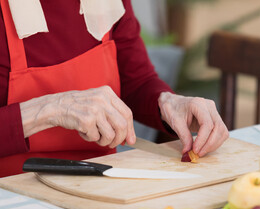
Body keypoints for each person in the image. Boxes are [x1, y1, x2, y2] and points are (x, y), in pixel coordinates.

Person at [0, 0, 229, 177]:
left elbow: (136, 80)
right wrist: (50, 109)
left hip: (100, 179)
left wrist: (169, 102)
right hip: (11, 192)